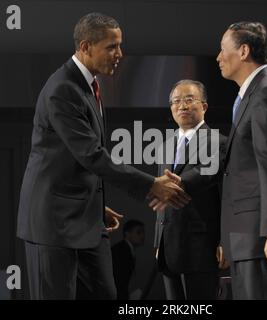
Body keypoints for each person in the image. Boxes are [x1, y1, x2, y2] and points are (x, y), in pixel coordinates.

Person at [16, 12, 190, 300]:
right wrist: (151, 184)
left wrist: (94, 208)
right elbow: (92, 156)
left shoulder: (90, 85)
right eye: (111, 47)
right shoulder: (62, 89)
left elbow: (77, 162)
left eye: (119, 45)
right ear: (85, 47)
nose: (119, 54)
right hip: (52, 225)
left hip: (86, 222)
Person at [154, 22, 267, 300]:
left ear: (244, 51)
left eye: (223, 50)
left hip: (259, 238)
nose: (218, 57)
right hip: (247, 239)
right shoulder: (252, 94)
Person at [153, 80, 227, 300]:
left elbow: (225, 195)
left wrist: (225, 241)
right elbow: (161, 197)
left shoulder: (219, 142)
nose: (182, 106)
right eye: (176, 101)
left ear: (204, 106)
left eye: (189, 99)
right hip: (168, 248)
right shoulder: (164, 146)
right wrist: (159, 241)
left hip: (201, 246)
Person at [112, 220, 145, 300]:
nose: (142, 236)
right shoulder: (121, 251)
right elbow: (119, 280)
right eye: (138, 232)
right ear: (127, 234)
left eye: (143, 232)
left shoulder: (124, 249)